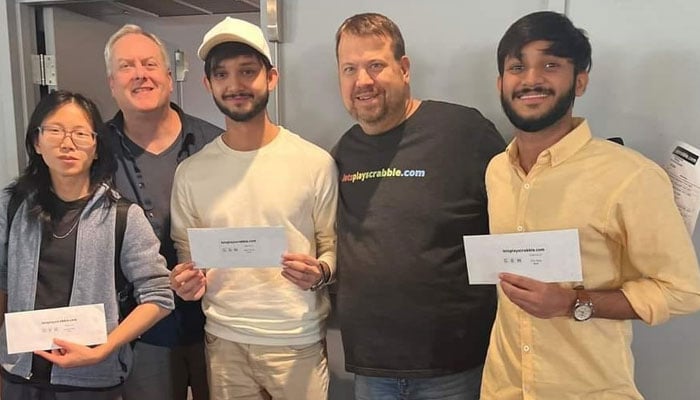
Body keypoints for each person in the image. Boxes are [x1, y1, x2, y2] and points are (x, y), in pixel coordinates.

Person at [480, 11, 700, 399]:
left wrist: (573, 303)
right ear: (501, 83)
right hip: (503, 389)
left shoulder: (630, 176)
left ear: (579, 80)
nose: (531, 79)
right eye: (517, 66)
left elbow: (683, 291)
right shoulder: (497, 171)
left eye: (550, 64)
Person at [332, 12, 506, 400]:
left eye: (375, 65)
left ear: (404, 68)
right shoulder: (344, 151)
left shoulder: (465, 131)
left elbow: (517, 218)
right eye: (349, 69)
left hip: (455, 366)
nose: (362, 81)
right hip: (371, 367)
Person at [169, 17, 337, 399]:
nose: (236, 85)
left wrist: (322, 271)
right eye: (222, 74)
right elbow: (188, 254)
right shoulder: (191, 173)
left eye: (248, 71)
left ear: (271, 77)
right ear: (208, 84)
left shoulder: (314, 162)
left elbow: (332, 242)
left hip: (296, 341)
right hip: (224, 339)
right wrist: (186, 283)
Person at [0, 90, 174, 399]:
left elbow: (159, 297)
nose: (67, 143)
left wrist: (105, 348)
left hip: (92, 378)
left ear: (96, 148)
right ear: (37, 142)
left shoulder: (124, 216)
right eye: (54, 131)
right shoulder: (12, 207)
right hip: (19, 375)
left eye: (81, 133)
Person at [103, 24, 222, 400]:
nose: (140, 73)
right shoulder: (94, 152)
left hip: (217, 325)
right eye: (127, 66)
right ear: (111, 83)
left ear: (169, 78)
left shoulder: (216, 143)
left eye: (149, 64)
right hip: (139, 334)